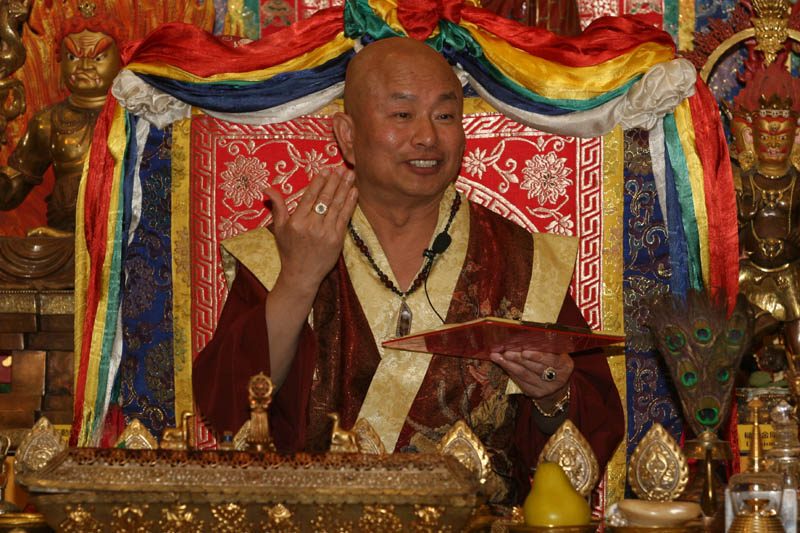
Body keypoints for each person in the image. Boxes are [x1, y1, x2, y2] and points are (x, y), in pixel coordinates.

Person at [193, 36, 624, 504]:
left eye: (445, 116)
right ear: (347, 136)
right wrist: (299, 279)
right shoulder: (284, 252)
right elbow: (229, 407)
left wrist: (552, 394)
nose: (428, 137)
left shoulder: (522, 261)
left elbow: (589, 433)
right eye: (402, 115)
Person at [0, 3, 121, 235]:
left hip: (120, 240)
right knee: (28, 250)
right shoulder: (48, 121)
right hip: (61, 237)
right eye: (73, 56)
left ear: (120, 61)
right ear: (60, 60)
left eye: (97, 58)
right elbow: (10, 195)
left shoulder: (135, 117)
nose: (84, 66)